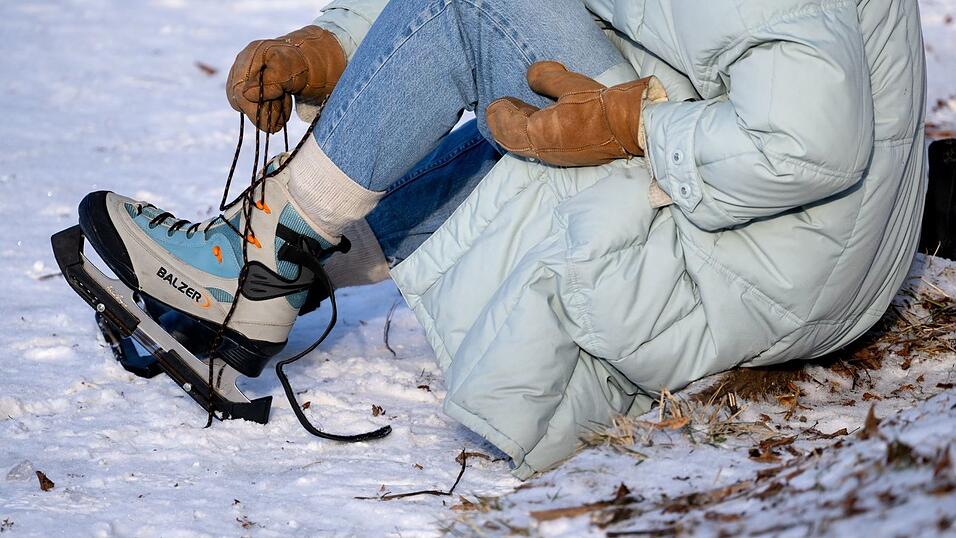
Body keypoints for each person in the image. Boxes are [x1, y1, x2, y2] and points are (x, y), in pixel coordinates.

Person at [77, 0, 927, 478]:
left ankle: (253, 273)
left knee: (476, 6)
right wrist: (331, 48)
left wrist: (635, 124)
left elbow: (810, 140)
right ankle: (269, 263)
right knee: (496, 36)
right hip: (798, 247)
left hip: (771, 256)